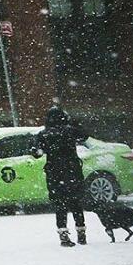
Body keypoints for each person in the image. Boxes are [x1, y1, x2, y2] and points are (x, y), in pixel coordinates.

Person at [32, 106, 90, 247]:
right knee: (76, 203)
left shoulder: (43, 134)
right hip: (73, 172)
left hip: (55, 174)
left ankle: (63, 236)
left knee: (60, 205)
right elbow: (84, 135)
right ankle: (81, 234)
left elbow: (36, 153)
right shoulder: (70, 131)